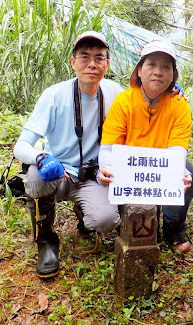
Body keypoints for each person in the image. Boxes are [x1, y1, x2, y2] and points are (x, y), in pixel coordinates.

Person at [13, 31, 125, 278]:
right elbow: (21, 146)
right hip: (59, 173)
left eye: (99, 57)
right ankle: (46, 240)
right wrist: (42, 158)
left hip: (94, 176)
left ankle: (85, 217)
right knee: (34, 177)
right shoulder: (54, 95)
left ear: (107, 64)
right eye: (84, 57)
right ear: (73, 62)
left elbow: (141, 104)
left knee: (106, 221)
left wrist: (167, 92)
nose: (92, 64)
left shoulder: (115, 92)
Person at [97, 40, 193, 254]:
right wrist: (105, 168)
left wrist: (178, 172)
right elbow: (108, 148)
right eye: (151, 64)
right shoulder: (124, 102)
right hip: (129, 168)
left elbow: (177, 151)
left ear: (173, 75)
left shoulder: (179, 104)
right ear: (139, 71)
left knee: (189, 175)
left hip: (160, 164)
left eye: (166, 67)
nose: (158, 72)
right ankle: (125, 226)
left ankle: (173, 228)